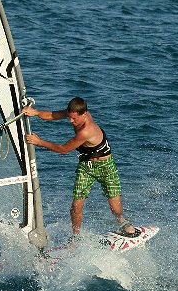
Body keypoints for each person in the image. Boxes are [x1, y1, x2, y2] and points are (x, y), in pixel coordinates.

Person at [23, 97, 139, 239]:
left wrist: (39, 142)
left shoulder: (86, 130)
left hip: (105, 166)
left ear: (84, 114)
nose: (71, 121)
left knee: (115, 207)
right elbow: (52, 115)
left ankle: (122, 220)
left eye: (74, 119)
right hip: (86, 165)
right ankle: (76, 237)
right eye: (70, 117)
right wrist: (34, 112)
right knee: (76, 206)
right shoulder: (75, 113)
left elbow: (64, 149)